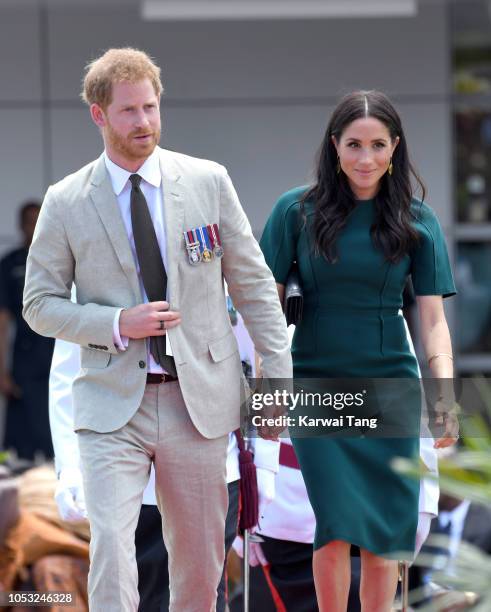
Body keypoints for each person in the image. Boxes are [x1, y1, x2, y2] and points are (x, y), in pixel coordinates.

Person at [22, 47, 291, 612]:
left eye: (151, 107)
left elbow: (256, 287)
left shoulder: (207, 182)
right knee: (113, 553)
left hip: (198, 403)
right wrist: (116, 322)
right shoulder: (66, 201)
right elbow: (39, 305)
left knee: (199, 568)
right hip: (110, 404)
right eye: (129, 111)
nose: (144, 122)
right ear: (99, 115)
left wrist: (277, 387)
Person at [259, 89, 458, 611]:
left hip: (390, 383)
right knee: (334, 524)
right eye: (353, 144)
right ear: (334, 146)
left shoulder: (419, 220)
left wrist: (443, 398)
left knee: (383, 532)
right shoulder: (294, 211)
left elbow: (433, 322)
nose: (365, 158)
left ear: (394, 148)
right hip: (315, 381)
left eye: (377, 145)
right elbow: (265, 313)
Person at [0, 201, 54, 461]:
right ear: (20, 225)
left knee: (56, 428)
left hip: (56, 352)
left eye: (38, 219)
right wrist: (2, 371)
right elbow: (2, 321)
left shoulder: (60, 259)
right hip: (24, 357)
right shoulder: (10, 263)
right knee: (21, 439)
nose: (34, 226)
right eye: (29, 220)